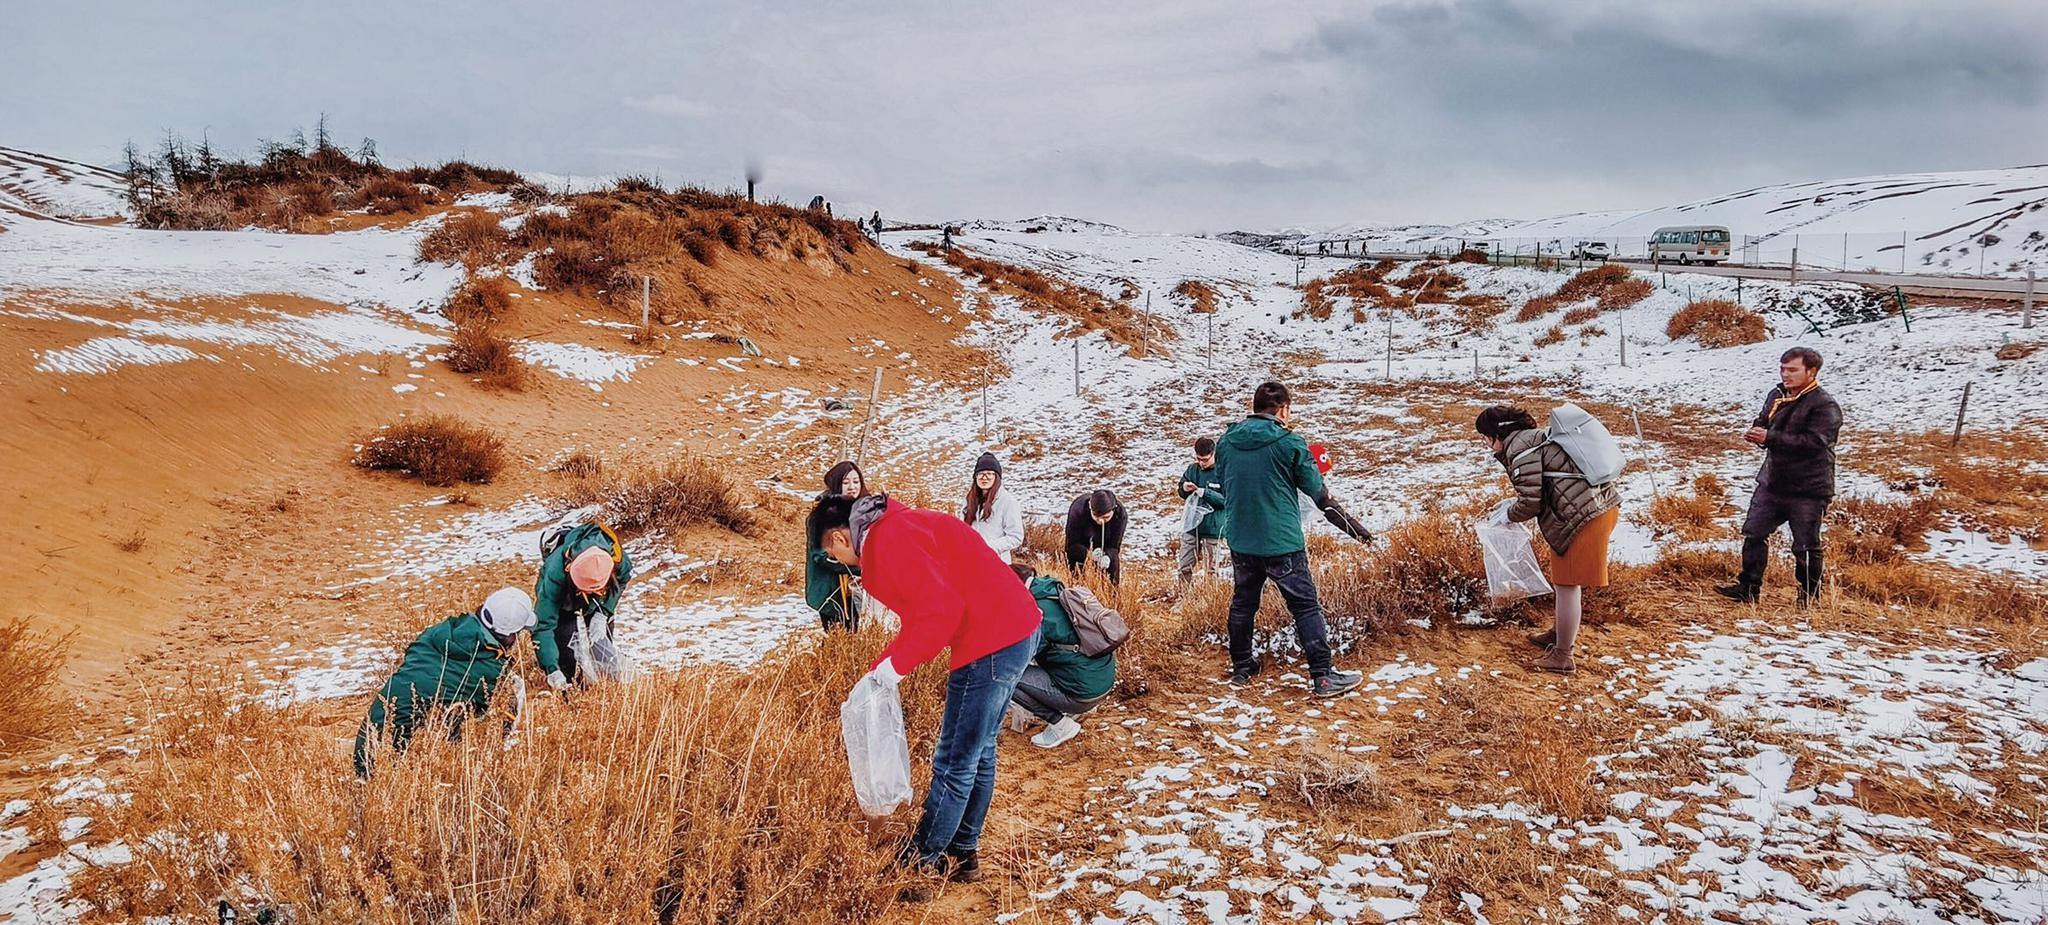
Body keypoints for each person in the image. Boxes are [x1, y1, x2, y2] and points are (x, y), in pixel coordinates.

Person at [817, 494, 1040, 884]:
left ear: (838, 538)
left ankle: (922, 861)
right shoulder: (895, 527)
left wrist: (892, 670)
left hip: (989, 640)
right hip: (1016, 627)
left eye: (832, 553)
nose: (837, 561)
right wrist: (881, 668)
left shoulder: (887, 543)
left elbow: (941, 613)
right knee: (979, 750)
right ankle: (962, 853)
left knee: (955, 760)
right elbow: (926, 610)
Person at [1214, 381, 1368, 697]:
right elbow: (1320, 496)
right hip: (1282, 542)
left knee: (1243, 604)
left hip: (1241, 540)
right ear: (1283, 409)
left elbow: (1225, 484)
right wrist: (1356, 530)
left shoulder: (1226, 442)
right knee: (1306, 607)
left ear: (1255, 407)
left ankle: (1243, 668)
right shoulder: (1290, 443)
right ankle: (1323, 677)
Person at [1476, 405, 1622, 675]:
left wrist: (1507, 515)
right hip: (1596, 509)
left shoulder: (1521, 448)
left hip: (1583, 518)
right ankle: (1559, 634)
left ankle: (1563, 656)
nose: (1486, 444)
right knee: (1564, 582)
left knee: (1567, 585)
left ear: (1498, 433)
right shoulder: (1534, 439)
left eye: (1485, 436)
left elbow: (1531, 503)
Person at [354, 587, 535, 778]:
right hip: (391, 762)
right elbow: (492, 712)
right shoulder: (492, 673)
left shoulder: (439, 631)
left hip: (364, 746)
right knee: (512, 689)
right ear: (511, 635)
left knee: (448, 706)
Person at [1716, 348, 1842, 606]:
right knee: (1753, 533)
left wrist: (1770, 437)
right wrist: (1758, 430)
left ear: (1812, 372)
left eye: (1793, 370)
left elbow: (1817, 442)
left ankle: (1809, 598)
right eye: (1783, 368)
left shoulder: (1824, 404)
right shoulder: (1777, 394)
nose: (1786, 374)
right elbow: (1764, 419)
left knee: (1806, 546)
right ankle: (1748, 588)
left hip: (1809, 487)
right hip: (1773, 482)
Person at [1005, 563, 1116, 748]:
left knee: (1005, 675)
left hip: (1083, 693)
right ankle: (1070, 708)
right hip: (1102, 679)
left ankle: (1059, 724)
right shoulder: (1052, 589)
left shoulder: (1035, 611)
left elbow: (1016, 658)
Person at [533, 520, 633, 689]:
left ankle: (611, 689)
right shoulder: (554, 574)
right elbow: (543, 626)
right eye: (585, 590)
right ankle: (574, 689)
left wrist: (604, 612)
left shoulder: (616, 557)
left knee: (602, 647)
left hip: (600, 601)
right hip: (565, 601)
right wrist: (551, 668)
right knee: (566, 651)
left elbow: (623, 578)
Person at [806, 461, 868, 631]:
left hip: (861, 589)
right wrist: (859, 569)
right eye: (846, 482)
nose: (852, 487)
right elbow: (820, 555)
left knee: (859, 635)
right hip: (832, 591)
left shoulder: (864, 511)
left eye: (856, 482)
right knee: (840, 638)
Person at [1176, 437, 1229, 583]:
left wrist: (1203, 492)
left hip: (1213, 528)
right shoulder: (1192, 469)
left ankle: (1210, 601)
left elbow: (1227, 500)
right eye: (1198, 459)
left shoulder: (1223, 472)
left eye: (1205, 459)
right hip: (1191, 527)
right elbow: (1181, 491)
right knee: (1184, 566)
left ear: (1214, 454)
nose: (1201, 463)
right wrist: (1184, 488)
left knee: (1212, 570)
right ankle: (1183, 598)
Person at [963, 453, 1024, 563]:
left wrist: (988, 547)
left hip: (996, 563)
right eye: (980, 474)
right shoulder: (969, 500)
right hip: (971, 561)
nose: (984, 478)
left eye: (989, 474)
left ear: (996, 477)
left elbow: (1016, 536)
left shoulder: (1007, 501)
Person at [1064, 489, 1127, 584]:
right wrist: (1089, 555)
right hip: (1081, 542)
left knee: (1111, 572)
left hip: (1106, 541)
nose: (1100, 521)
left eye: (1106, 517)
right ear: (1090, 508)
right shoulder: (1078, 510)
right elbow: (1072, 544)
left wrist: (1108, 556)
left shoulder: (1121, 515)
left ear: (1113, 510)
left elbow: (1114, 546)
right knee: (1077, 577)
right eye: (1096, 516)